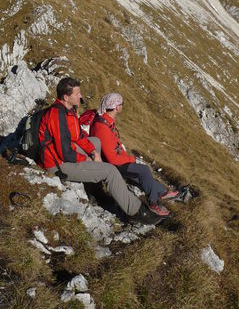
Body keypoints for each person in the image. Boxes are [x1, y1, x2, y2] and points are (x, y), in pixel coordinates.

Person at [38, 77, 162, 225]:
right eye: (77, 94)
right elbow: (65, 153)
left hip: (62, 154)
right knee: (109, 171)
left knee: (95, 142)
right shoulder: (57, 115)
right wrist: (87, 160)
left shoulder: (68, 110)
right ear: (66, 97)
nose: (81, 96)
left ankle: (95, 192)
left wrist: (94, 152)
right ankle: (136, 211)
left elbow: (78, 137)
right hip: (57, 164)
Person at [89, 93, 179, 217]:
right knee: (144, 170)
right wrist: (130, 159)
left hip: (113, 160)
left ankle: (161, 192)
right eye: (121, 104)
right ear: (117, 107)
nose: (122, 107)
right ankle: (154, 202)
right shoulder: (102, 127)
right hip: (111, 164)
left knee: (140, 176)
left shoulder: (106, 121)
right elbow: (112, 158)